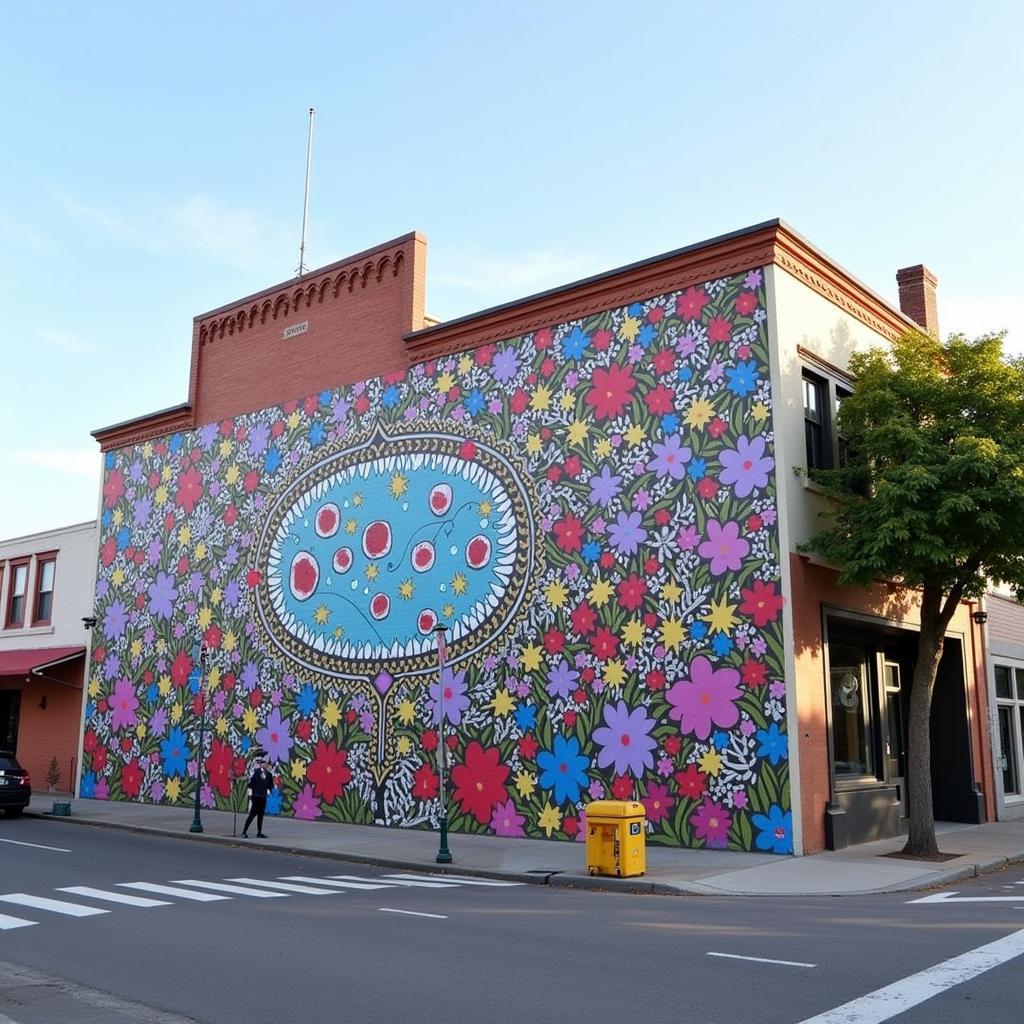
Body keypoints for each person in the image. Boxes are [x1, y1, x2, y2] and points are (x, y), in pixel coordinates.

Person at [241, 757, 274, 838]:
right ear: (260, 764)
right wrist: (251, 794)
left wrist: (269, 790)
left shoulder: (269, 775)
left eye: (266, 763)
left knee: (261, 815)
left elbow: (270, 785)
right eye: (263, 763)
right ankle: (244, 832)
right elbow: (251, 784)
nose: (265, 765)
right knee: (252, 815)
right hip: (256, 796)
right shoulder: (256, 773)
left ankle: (259, 832)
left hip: (263, 797)